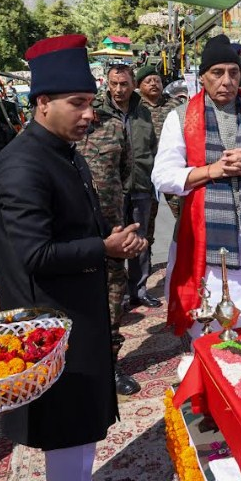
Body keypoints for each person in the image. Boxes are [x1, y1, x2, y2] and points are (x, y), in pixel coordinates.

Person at [0, 34, 146, 481]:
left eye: (90, 104)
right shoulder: (24, 165)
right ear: (42, 103)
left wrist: (112, 243)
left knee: (81, 426)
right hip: (51, 319)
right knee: (66, 429)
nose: (89, 114)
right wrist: (105, 248)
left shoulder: (60, 152)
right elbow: (34, 254)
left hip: (77, 311)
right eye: (77, 103)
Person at [152, 34, 241, 338]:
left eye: (233, 72)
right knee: (206, 325)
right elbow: (163, 175)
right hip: (202, 234)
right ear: (203, 77)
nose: (226, 81)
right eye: (217, 73)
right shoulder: (179, 119)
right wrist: (212, 170)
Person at [81, 75, 139, 395]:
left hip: (112, 228)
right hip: (75, 234)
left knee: (114, 295)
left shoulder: (115, 127)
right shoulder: (59, 136)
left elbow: (126, 173)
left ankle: (111, 367)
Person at [96, 64, 161, 309]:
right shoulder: (97, 112)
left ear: (133, 84)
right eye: (114, 84)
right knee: (116, 241)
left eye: (124, 84)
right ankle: (119, 295)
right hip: (112, 190)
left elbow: (152, 148)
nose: (118, 89)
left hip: (142, 185)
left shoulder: (143, 112)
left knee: (141, 240)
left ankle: (139, 290)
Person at [136, 64, 187, 224]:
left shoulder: (175, 105)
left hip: (171, 166)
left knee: (183, 214)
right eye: (148, 81)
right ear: (139, 86)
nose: (153, 84)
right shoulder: (135, 107)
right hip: (145, 170)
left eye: (156, 80)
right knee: (146, 219)